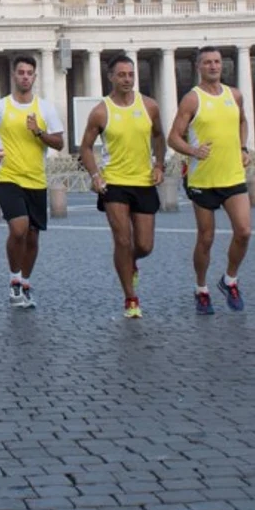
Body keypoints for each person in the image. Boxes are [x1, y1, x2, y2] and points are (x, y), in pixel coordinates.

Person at [168, 46, 254, 315]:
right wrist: (193, 151)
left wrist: (243, 148)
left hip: (232, 175)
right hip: (203, 179)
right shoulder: (192, 100)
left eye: (217, 62)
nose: (214, 66)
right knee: (206, 238)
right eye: (207, 62)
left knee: (244, 231)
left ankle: (229, 279)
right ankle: (201, 288)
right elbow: (174, 137)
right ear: (199, 67)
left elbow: (243, 121)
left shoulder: (235, 95)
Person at [78, 53, 163, 318]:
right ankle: (131, 298)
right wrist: (95, 175)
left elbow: (159, 136)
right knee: (122, 239)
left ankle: (129, 263)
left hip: (144, 180)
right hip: (114, 183)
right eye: (122, 75)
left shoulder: (149, 106)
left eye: (130, 74)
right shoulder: (101, 111)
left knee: (145, 245)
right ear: (111, 77)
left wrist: (159, 164)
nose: (127, 79)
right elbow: (86, 147)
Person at [0, 54, 65, 309]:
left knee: (33, 237)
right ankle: (14, 279)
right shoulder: (0, 107)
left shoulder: (46, 108)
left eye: (29, 73)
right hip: (8, 177)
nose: (25, 77)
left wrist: (39, 132)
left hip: (36, 179)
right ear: (14, 76)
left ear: (34, 77)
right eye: (21, 72)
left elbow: (59, 142)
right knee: (19, 229)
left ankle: (26, 282)